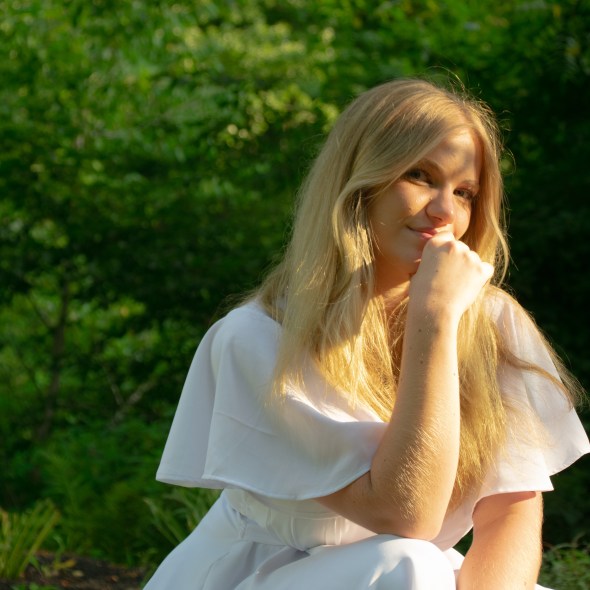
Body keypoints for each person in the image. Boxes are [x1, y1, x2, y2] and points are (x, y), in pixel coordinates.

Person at [143, 78, 590, 589]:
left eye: (464, 192)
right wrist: (434, 319)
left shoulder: (492, 324)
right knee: (409, 563)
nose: (445, 211)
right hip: (263, 574)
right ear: (359, 180)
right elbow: (405, 513)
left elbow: (509, 514)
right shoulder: (257, 338)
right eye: (420, 176)